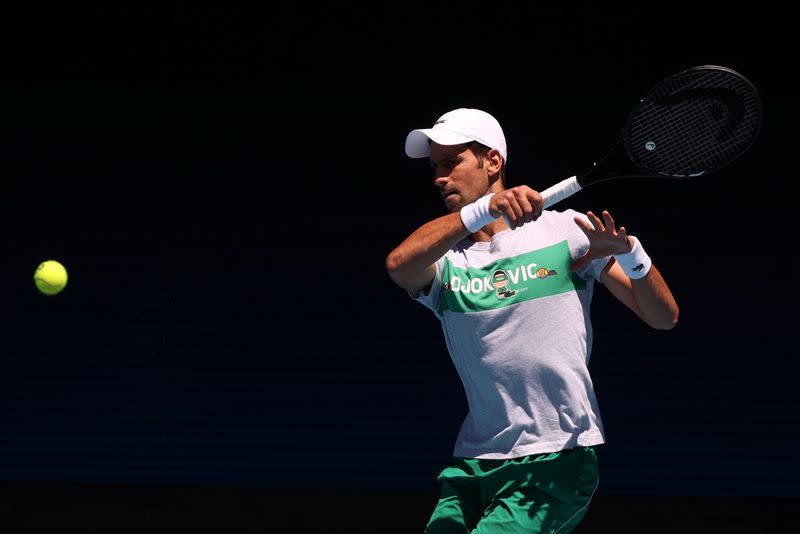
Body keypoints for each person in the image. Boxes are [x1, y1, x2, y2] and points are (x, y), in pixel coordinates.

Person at [385, 108, 679, 533]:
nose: (439, 177)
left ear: (492, 162)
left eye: (451, 163)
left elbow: (663, 317)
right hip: (473, 461)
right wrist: (483, 210)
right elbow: (398, 265)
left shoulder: (566, 233)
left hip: (555, 458)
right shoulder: (448, 264)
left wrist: (631, 253)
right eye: (434, 167)